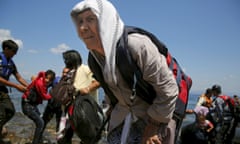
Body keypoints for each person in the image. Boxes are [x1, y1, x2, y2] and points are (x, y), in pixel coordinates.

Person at [70, 1, 179, 144]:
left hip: (152, 122)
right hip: (120, 121)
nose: (83, 28)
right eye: (79, 22)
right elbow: (111, 88)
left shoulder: (137, 45)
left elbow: (169, 89)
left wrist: (153, 126)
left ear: (106, 20)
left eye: (90, 19)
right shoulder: (94, 58)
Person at [57, 50, 100, 144]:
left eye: (66, 60)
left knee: (88, 137)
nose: (65, 62)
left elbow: (98, 82)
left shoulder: (86, 69)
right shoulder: (69, 72)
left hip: (85, 109)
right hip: (69, 110)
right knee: (63, 137)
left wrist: (87, 88)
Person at [0, 40, 29, 143]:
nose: (14, 54)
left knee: (10, 110)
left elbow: (19, 77)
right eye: (13, 51)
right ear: (6, 49)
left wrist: (29, 86)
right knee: (1, 113)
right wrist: (16, 86)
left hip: (2, 90)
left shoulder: (11, 63)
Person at [21, 69, 55, 144]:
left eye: (49, 80)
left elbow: (51, 83)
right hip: (27, 105)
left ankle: (39, 140)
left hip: (32, 105)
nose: (47, 80)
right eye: (47, 78)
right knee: (40, 123)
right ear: (44, 76)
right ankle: (36, 142)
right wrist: (53, 96)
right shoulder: (39, 83)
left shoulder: (44, 81)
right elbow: (44, 96)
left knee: (41, 121)